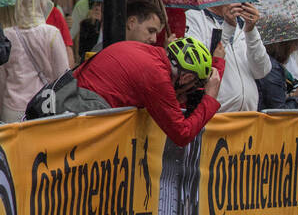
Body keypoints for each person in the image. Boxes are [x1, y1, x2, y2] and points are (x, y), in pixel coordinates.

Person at [72, 37, 221, 146]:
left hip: (73, 97)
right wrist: (210, 98)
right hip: (83, 112)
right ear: (187, 76)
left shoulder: (146, 50)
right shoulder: (157, 76)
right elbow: (182, 134)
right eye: (193, 84)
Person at [0, 0, 70, 122]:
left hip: (12, 108)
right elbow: (62, 75)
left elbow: (2, 78)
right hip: (42, 106)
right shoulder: (51, 33)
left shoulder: (8, 34)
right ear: (42, 4)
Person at [186, 0, 271, 112]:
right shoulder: (194, 17)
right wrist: (227, 27)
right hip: (214, 116)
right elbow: (197, 66)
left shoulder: (243, 22)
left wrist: (251, 31)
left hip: (248, 116)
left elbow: (261, 71)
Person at [257, 38, 298, 110]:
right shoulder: (271, 68)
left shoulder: (268, 64)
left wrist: (297, 93)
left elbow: (275, 99)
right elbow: (279, 111)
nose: (295, 49)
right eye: (294, 44)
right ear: (286, 45)